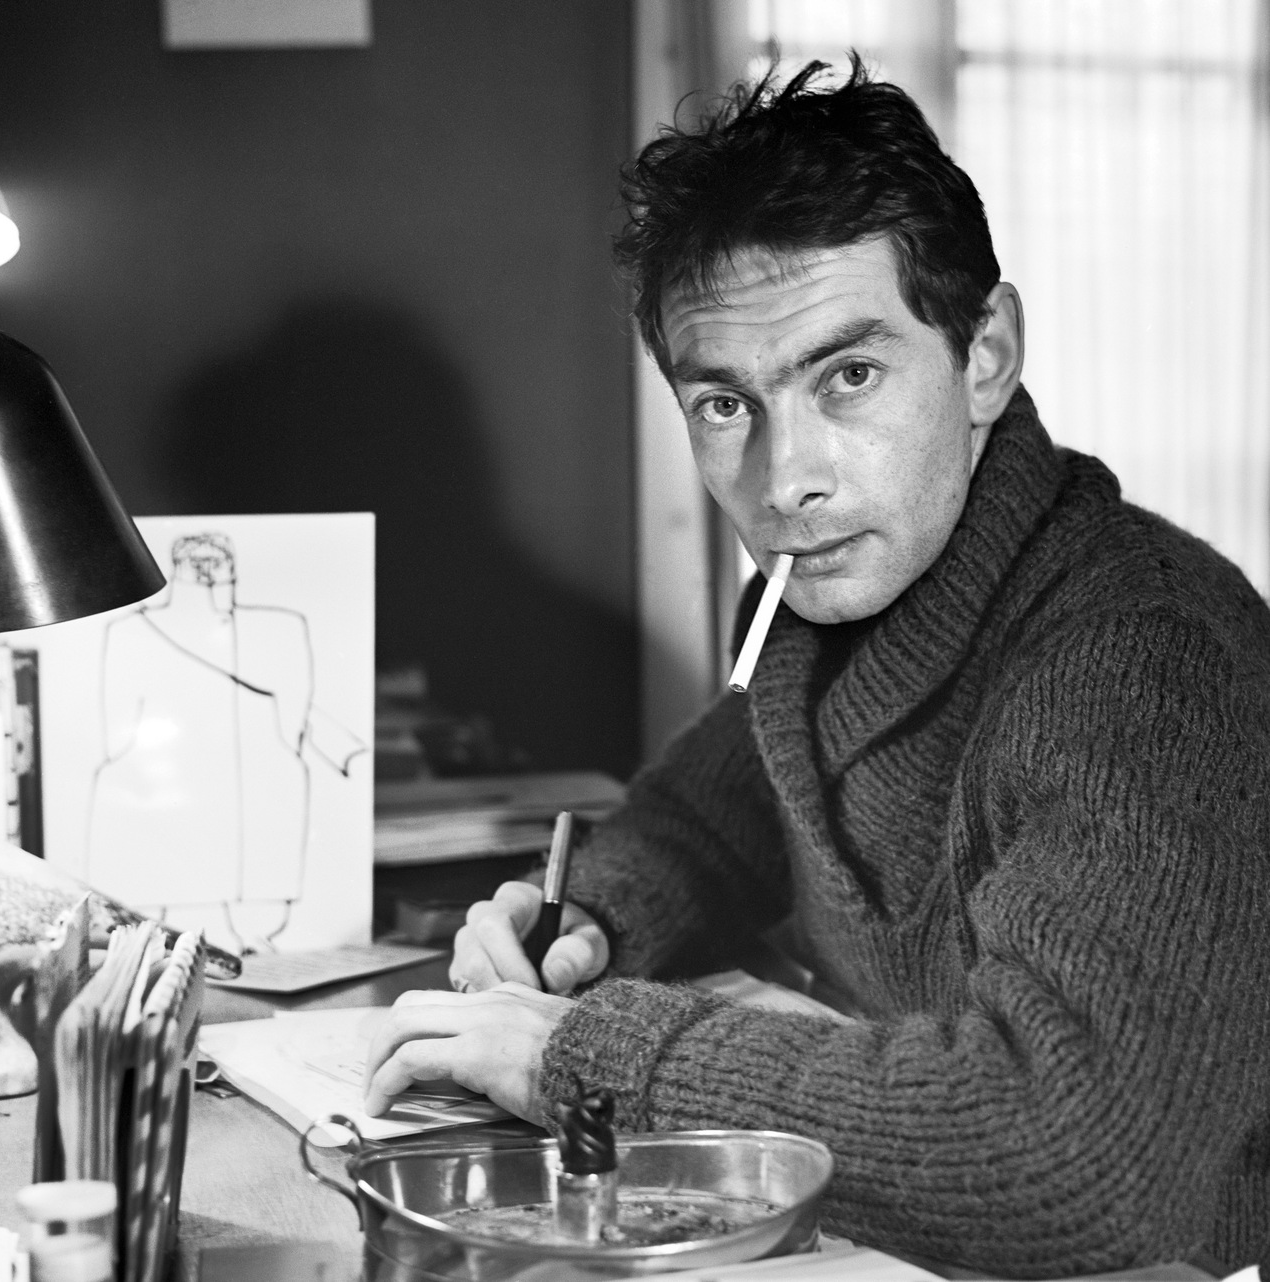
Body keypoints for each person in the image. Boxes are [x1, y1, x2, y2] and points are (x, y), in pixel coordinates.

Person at [363, 58, 1270, 1277]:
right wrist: (588, 924)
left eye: (847, 375)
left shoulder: (1146, 657)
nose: (786, 481)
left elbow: (1082, 1150)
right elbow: (704, 823)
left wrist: (581, 1056)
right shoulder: (815, 597)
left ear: (985, 354)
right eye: (724, 404)